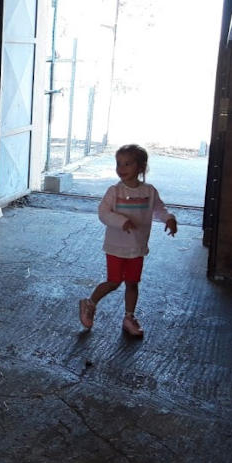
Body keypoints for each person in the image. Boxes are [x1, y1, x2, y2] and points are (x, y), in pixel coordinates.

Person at [78, 144, 177, 337]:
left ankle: (129, 317)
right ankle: (89, 304)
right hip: (115, 247)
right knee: (114, 282)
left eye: (127, 164)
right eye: (118, 163)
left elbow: (159, 209)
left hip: (137, 247)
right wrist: (121, 221)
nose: (121, 168)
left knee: (132, 283)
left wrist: (169, 218)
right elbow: (103, 213)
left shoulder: (149, 191)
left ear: (141, 167)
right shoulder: (114, 191)